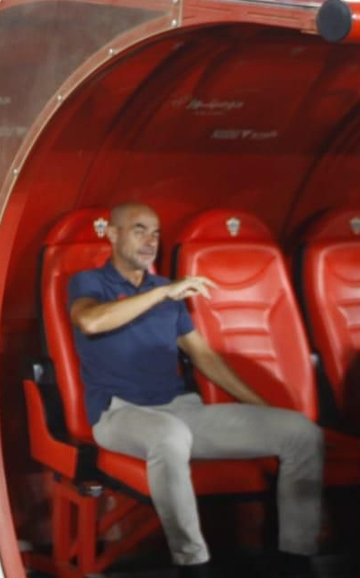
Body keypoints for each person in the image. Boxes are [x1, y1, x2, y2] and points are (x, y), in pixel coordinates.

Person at [68, 203, 322, 578]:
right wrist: (163, 292)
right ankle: (192, 564)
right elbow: (91, 321)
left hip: (181, 410)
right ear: (112, 233)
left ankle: (295, 560)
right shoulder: (90, 282)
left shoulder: (164, 290)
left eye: (155, 233)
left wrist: (262, 409)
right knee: (170, 436)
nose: (150, 241)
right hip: (118, 413)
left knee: (302, 433)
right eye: (139, 230)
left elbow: (204, 357)